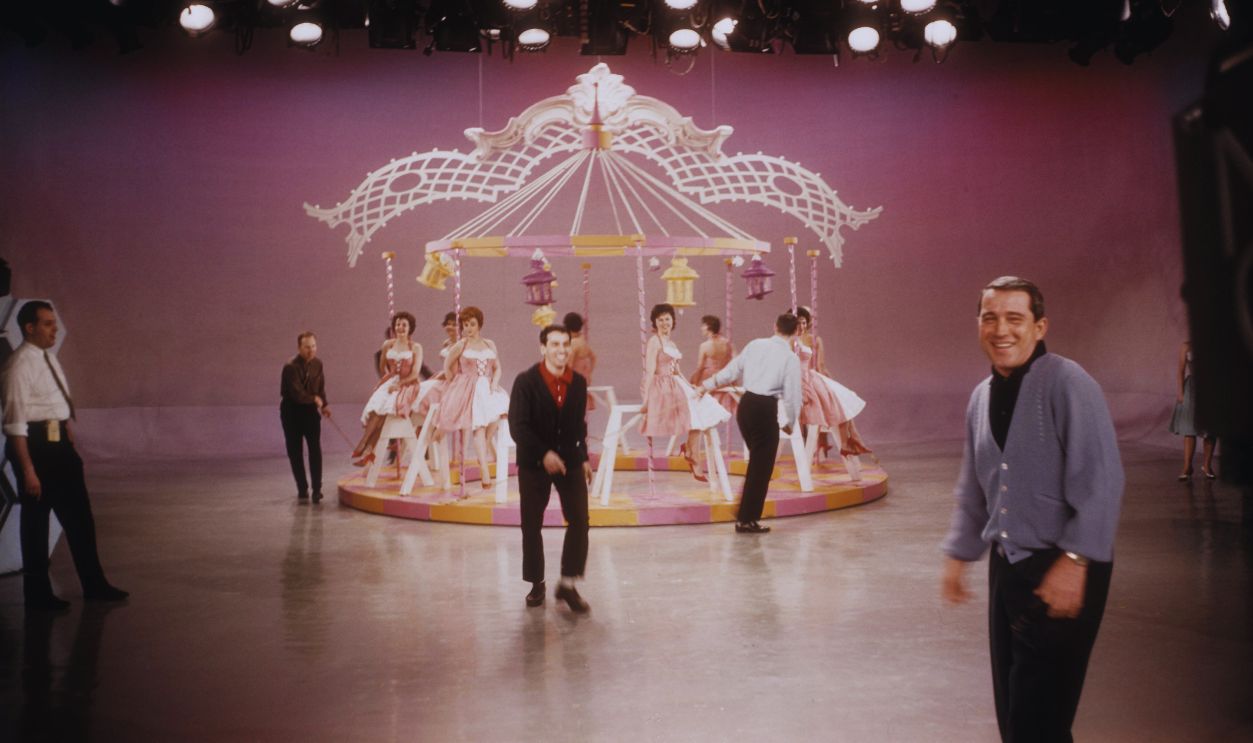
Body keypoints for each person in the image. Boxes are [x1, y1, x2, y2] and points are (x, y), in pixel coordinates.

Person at [940, 276, 1124, 743]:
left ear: (1039, 327)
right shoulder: (981, 397)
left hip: (1063, 566)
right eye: (990, 317)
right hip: (1009, 566)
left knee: (1037, 719)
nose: (1001, 329)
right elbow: (975, 483)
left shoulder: (1067, 381)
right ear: (978, 325)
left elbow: (1102, 481)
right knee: (1014, 707)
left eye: (1015, 318)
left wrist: (1076, 560)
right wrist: (960, 555)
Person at [2, 301, 128, 611]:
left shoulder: (47, 358)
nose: (54, 330)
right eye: (47, 324)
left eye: (54, 324)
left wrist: (66, 432)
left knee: (80, 518)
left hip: (57, 445)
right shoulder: (18, 366)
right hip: (35, 447)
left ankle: (94, 583)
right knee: (36, 521)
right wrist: (28, 470)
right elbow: (15, 425)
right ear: (29, 328)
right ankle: (37, 594)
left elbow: (55, 403)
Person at [508, 324, 593, 613]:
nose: (561, 350)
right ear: (543, 348)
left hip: (569, 460)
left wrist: (582, 458)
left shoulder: (579, 383)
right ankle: (536, 582)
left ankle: (568, 584)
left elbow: (579, 426)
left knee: (580, 520)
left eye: (565, 345)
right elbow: (518, 426)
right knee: (531, 523)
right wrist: (543, 454)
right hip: (534, 462)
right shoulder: (525, 382)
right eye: (554, 345)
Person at [698, 312, 803, 534]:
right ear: (796, 333)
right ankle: (746, 518)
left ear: (774, 326)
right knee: (761, 468)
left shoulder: (756, 345)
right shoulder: (791, 358)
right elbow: (793, 395)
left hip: (746, 406)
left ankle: (745, 514)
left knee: (758, 465)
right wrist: (791, 423)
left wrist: (706, 385)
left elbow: (731, 370)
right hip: (765, 409)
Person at [640, 303, 731, 482]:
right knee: (695, 410)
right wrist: (646, 398)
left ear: (673, 320)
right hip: (662, 385)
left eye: (667, 319)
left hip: (675, 382)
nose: (664, 323)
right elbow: (650, 371)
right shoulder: (654, 341)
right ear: (655, 322)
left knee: (703, 405)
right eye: (660, 320)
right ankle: (692, 454)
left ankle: (691, 450)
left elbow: (676, 370)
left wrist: (692, 386)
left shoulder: (671, 343)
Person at [439, 306, 509, 489]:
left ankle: (484, 447)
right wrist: (454, 383)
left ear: (479, 325)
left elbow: (498, 367)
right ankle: (485, 474)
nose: (468, 328)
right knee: (478, 426)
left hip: (487, 386)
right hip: (470, 388)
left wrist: (494, 382)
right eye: (465, 325)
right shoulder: (461, 345)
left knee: (498, 415)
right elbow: (447, 365)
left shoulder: (489, 344)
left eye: (472, 324)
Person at [793, 307, 871, 458]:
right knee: (838, 401)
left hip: (811, 377)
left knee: (838, 400)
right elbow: (819, 366)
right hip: (809, 379)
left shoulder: (801, 340)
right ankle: (847, 441)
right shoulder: (805, 340)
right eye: (799, 322)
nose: (802, 325)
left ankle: (842, 442)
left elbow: (820, 366)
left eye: (804, 322)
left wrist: (829, 381)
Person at [352, 312, 422, 467]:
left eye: (404, 324)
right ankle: (367, 447)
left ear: (410, 328)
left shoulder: (415, 347)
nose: (400, 328)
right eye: (397, 324)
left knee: (384, 411)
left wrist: (400, 382)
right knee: (377, 410)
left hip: (408, 384)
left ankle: (365, 446)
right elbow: (382, 364)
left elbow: (415, 373)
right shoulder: (388, 345)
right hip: (391, 381)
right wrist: (388, 378)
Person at [280, 331, 331, 503]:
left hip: (310, 411)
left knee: (315, 450)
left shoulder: (318, 364)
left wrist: (324, 405)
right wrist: (313, 399)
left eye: (314, 346)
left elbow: (320, 387)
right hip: (291, 411)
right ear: (299, 348)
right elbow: (296, 393)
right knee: (295, 452)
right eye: (307, 347)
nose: (311, 350)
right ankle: (302, 489)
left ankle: (317, 490)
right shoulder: (290, 366)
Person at [1169, 339, 1216, 480]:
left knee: (1211, 428)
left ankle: (1207, 465)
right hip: (1192, 388)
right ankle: (1187, 467)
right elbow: (1181, 369)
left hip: (1212, 387)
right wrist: (1180, 392)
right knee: (1189, 428)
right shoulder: (1187, 346)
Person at [689, 315, 736, 416]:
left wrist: (694, 383)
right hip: (724, 379)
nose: (701, 328)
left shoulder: (705, 346)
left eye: (703, 325)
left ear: (709, 327)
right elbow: (736, 360)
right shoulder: (727, 343)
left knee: (698, 406)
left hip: (709, 379)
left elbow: (700, 367)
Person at [563, 312, 597, 411]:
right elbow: (594, 357)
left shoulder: (573, 344)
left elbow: (569, 363)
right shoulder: (582, 341)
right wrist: (589, 371)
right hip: (585, 377)